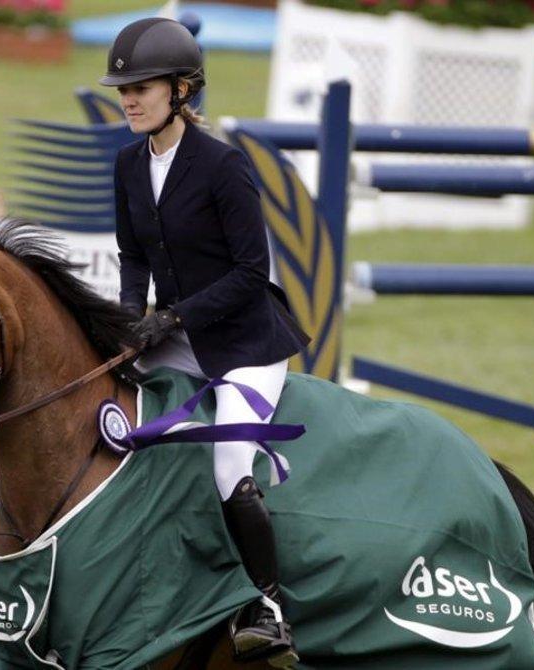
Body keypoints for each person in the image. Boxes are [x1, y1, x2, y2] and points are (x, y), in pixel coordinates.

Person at [99, 17, 311, 668]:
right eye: (123, 89)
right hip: (178, 334)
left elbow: (252, 274)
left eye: (142, 87)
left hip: (247, 343)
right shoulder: (129, 165)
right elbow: (133, 258)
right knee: (105, 412)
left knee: (227, 467)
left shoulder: (223, 167)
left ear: (182, 91)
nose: (128, 99)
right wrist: (133, 321)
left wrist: (176, 317)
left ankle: (266, 608)